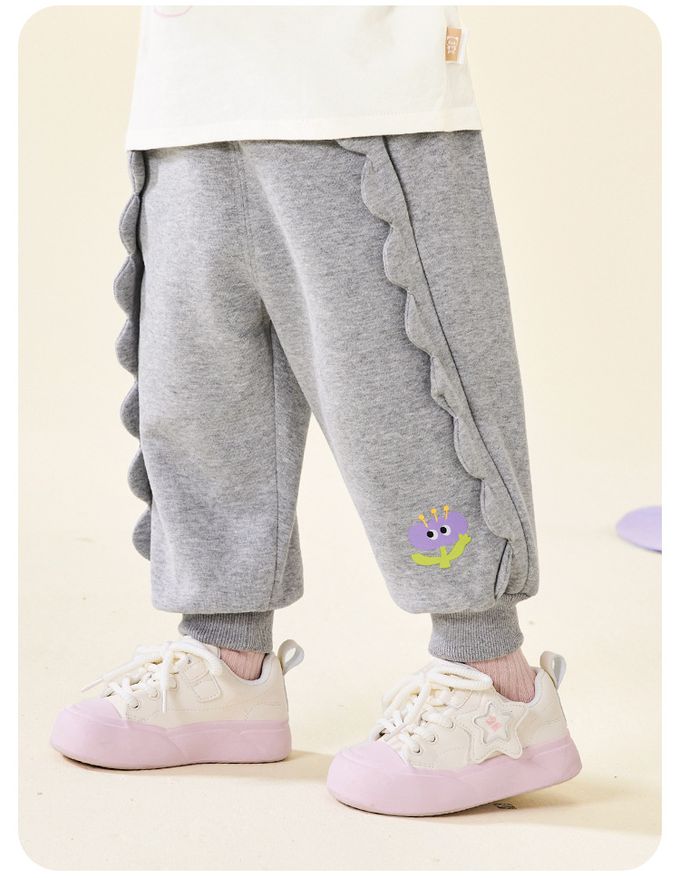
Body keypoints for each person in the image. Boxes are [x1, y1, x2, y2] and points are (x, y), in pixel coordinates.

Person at [50, 6, 581, 816]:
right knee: (196, 401)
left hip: (358, 91)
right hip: (188, 104)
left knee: (407, 405)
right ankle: (228, 661)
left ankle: (495, 679)